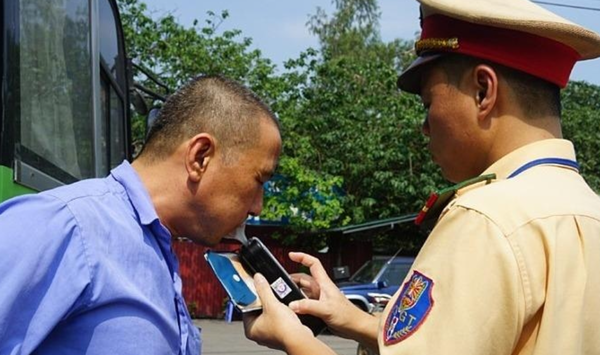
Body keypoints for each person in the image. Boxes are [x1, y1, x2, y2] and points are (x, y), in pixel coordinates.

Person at [243, 0, 600, 354]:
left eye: (428, 104)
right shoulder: (588, 211)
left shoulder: (486, 218)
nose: (425, 127)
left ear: (483, 91)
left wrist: (295, 339)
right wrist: (352, 319)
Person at [0, 75, 282, 354]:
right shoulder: (64, 225)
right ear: (200, 157)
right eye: (259, 180)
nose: (258, 206)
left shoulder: (158, 250)